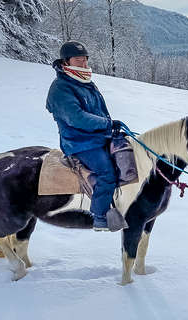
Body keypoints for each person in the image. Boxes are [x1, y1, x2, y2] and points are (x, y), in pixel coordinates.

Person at [46, 41, 124, 232]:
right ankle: (99, 217)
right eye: (78, 60)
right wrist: (106, 124)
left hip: (99, 136)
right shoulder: (61, 88)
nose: (83, 64)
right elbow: (76, 118)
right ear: (66, 62)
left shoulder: (85, 81)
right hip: (80, 142)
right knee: (107, 173)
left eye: (85, 60)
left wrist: (111, 125)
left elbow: (99, 110)